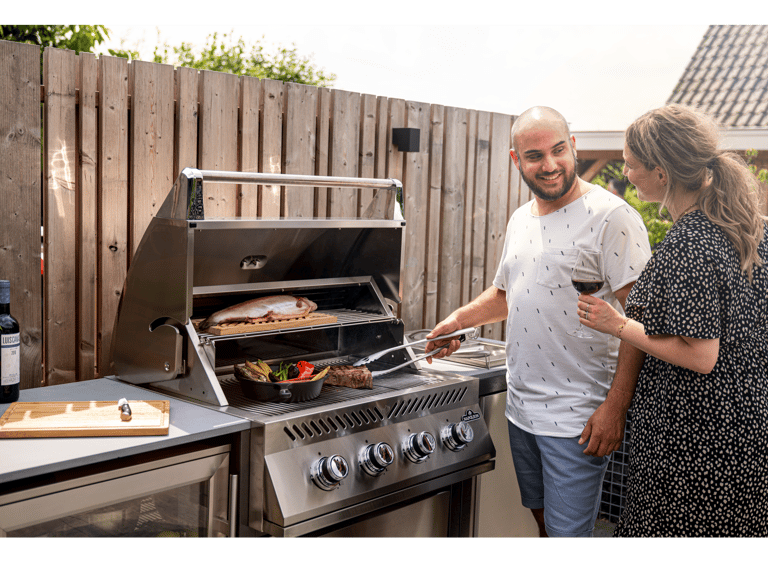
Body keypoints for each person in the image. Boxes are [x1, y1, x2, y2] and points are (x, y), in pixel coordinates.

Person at [425, 106, 652, 538]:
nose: (549, 165)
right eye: (534, 155)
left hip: (578, 416)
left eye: (558, 150)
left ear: (574, 148)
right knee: (543, 522)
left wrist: (616, 406)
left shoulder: (612, 216)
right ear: (516, 160)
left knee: (570, 537)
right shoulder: (520, 218)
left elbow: (640, 318)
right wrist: (456, 321)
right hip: (522, 410)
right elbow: (507, 295)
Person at [577, 103, 768, 538]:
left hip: (695, 441)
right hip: (749, 428)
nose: (626, 174)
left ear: (661, 172)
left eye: (631, 165)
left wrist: (616, 323)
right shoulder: (752, 228)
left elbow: (701, 356)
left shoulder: (691, 241)